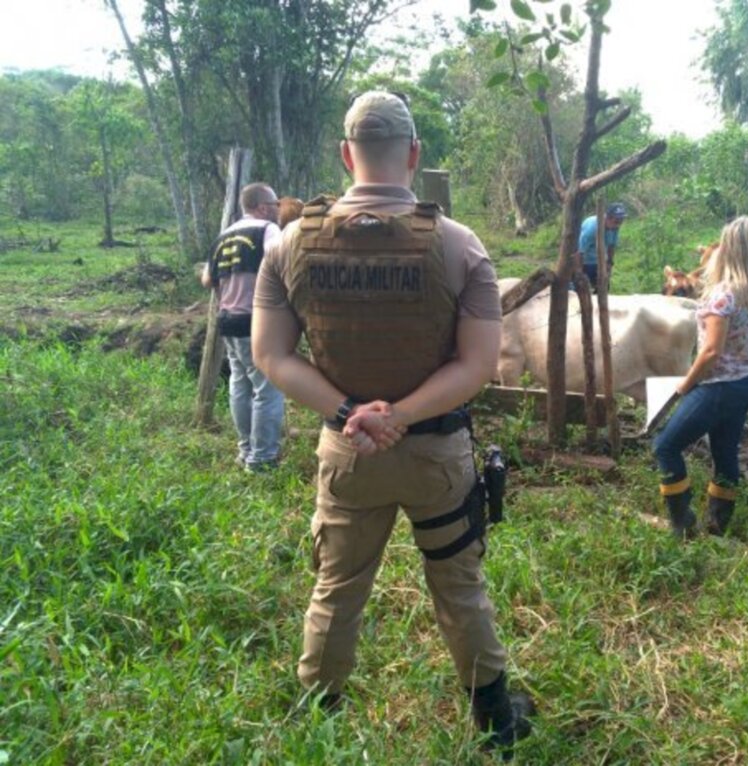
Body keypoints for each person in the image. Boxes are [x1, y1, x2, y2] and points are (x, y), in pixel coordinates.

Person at [251, 91, 534, 755]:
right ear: (412, 155)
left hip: (348, 451)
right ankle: (497, 721)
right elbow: (478, 364)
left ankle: (320, 714)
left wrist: (353, 414)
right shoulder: (461, 245)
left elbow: (270, 355)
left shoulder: (291, 244)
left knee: (337, 586)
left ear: (347, 155)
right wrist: (401, 416)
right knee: (459, 585)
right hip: (437, 455)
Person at [652, 216, 748, 538]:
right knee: (724, 452)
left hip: (720, 385)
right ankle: (718, 525)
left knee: (665, 446)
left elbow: (710, 353)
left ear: (728, 248)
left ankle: (682, 522)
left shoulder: (723, 295)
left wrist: (684, 385)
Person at [201, 182, 285, 473]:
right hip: (257, 321)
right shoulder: (267, 229)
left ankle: (246, 450)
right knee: (268, 388)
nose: (278, 209)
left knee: (241, 385)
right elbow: (282, 263)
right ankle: (262, 459)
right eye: (276, 204)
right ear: (263, 207)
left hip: (227, 320)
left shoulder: (224, 235)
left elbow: (206, 280)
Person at [577, 202, 627, 289]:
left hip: (600, 261)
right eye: (616, 221)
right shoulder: (591, 229)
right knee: (581, 289)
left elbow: (611, 246)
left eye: (621, 221)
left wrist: (609, 263)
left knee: (603, 287)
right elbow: (580, 252)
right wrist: (579, 272)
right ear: (607, 218)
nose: (619, 224)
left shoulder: (615, 228)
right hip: (584, 262)